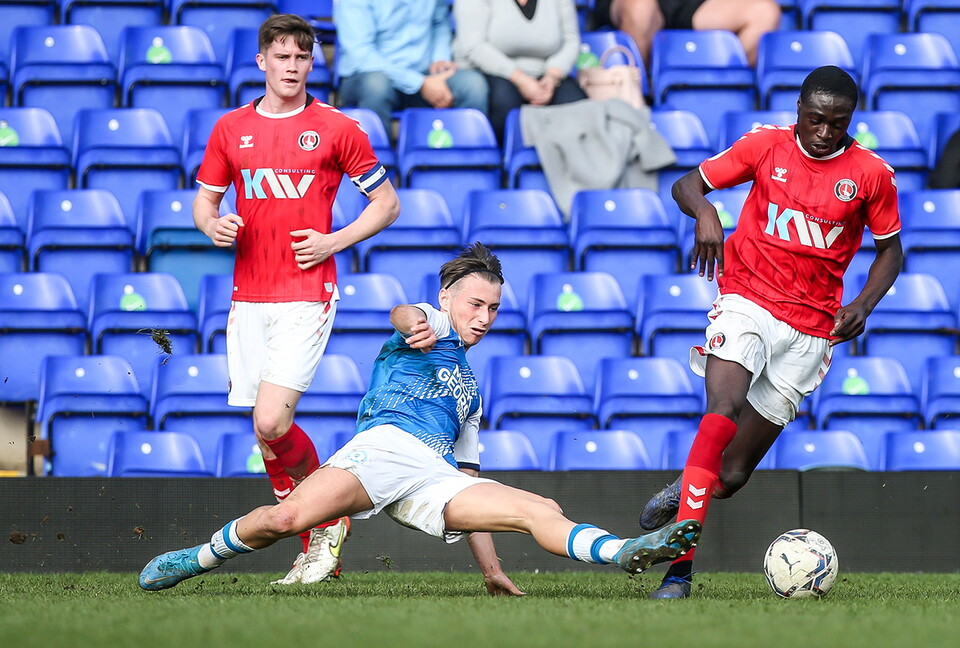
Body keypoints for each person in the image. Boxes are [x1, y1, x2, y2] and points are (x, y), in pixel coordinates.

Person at [139, 243, 702, 593]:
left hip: (435, 478)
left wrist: (490, 571)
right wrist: (411, 321)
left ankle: (626, 551)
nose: (483, 318)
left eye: (494, 309)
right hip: (380, 452)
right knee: (283, 523)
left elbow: (469, 477)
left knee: (540, 507)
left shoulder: (473, 393)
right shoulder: (428, 324)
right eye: (475, 305)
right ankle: (198, 557)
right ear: (448, 299)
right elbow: (401, 311)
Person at [637, 66, 903, 599]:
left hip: (812, 329)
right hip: (747, 301)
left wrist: (864, 304)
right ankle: (678, 572)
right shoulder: (765, 146)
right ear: (798, 111)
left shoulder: (872, 174)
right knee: (721, 411)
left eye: (837, 123)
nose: (825, 133)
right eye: (815, 119)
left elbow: (890, 251)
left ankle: (688, 487)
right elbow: (686, 183)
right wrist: (705, 210)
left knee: (731, 476)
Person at [192, 14, 400, 586]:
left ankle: (321, 526)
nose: (291, 67)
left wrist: (334, 240)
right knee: (267, 432)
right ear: (261, 62)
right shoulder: (230, 129)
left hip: (307, 291)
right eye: (281, 57)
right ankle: (318, 537)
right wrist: (213, 226)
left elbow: (386, 204)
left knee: (271, 418)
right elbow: (203, 205)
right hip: (248, 294)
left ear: (313, 64)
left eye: (302, 58)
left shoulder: (336, 128)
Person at [335, 0, 489, 139]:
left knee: (472, 84)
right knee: (376, 85)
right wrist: (420, 83)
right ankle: (376, 166)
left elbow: (439, 22)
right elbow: (362, 54)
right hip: (367, 76)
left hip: (424, 74)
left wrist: (439, 59)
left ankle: (463, 165)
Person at [452, 0, 586, 143]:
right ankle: (504, 162)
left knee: (578, 107)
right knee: (505, 103)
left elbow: (571, 41)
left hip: (547, 73)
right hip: (491, 69)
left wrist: (552, 76)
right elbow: (474, 46)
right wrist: (520, 78)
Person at [592, 0, 781, 67]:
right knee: (640, 7)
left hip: (691, 4)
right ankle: (639, 93)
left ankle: (708, 85)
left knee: (764, 13)